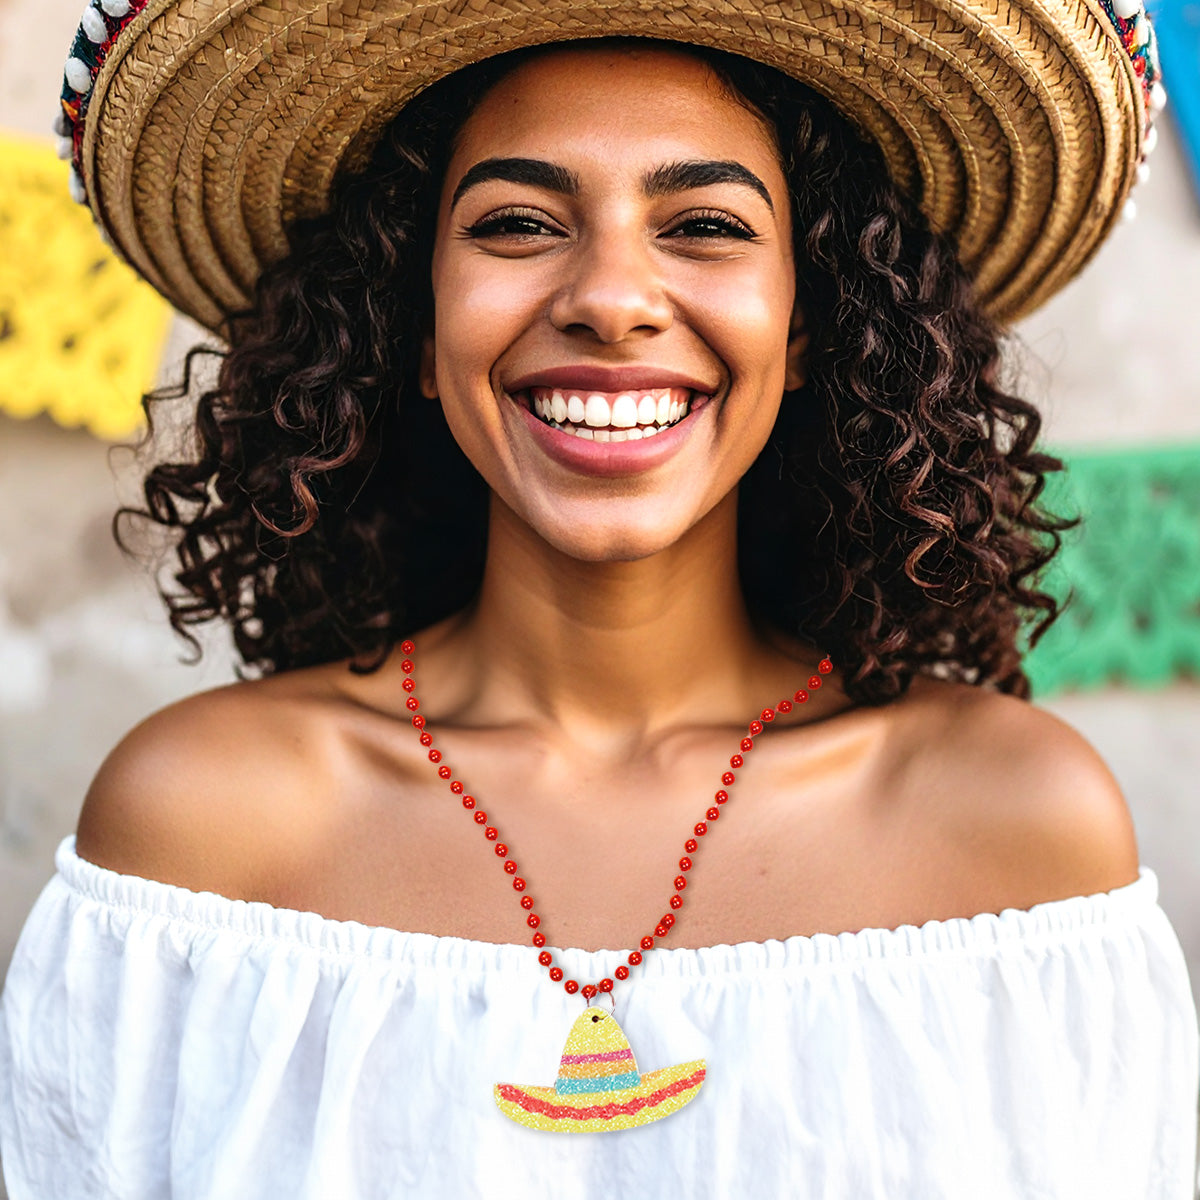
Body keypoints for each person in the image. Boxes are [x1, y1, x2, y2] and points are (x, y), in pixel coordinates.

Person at [1, 1, 1196, 1195]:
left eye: (706, 225)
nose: (610, 297)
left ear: (812, 326)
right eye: (518, 223)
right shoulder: (200, 834)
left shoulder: (1018, 834)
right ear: (411, 325)